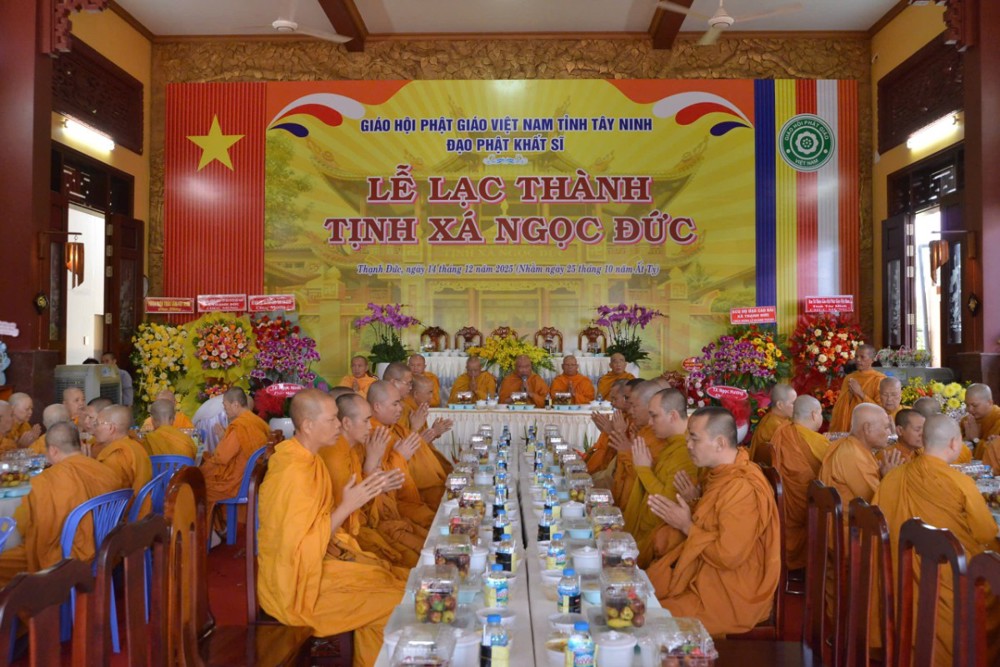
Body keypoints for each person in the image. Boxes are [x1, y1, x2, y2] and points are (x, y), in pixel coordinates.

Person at [257, 389, 407, 667]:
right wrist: (347, 506)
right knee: (395, 602)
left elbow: (315, 532)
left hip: (316, 564)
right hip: (295, 588)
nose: (339, 424)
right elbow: (296, 549)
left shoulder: (310, 459)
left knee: (391, 579)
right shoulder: (292, 472)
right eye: (332, 420)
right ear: (308, 425)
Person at [873, 414, 1000, 667]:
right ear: (954, 443)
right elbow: (987, 535)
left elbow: (880, 526)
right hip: (952, 577)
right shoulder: (960, 482)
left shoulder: (894, 478)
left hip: (902, 579)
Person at [645, 407, 780, 635]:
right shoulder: (719, 473)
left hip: (730, 591)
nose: (688, 445)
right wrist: (695, 501)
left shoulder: (742, 488)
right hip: (705, 573)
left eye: (694, 438)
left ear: (719, 443)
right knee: (641, 595)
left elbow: (729, 555)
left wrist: (686, 525)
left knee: (647, 617)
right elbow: (713, 520)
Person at [0, 422, 120, 587]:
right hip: (105, 549)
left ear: (53, 451)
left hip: (66, 556)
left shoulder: (44, 482)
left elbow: (22, 527)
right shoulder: (106, 471)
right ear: (79, 444)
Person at [319, 393, 421, 567]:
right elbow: (346, 513)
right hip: (345, 536)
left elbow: (364, 500)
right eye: (366, 421)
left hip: (368, 525)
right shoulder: (334, 456)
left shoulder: (354, 449)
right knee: (403, 564)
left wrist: (375, 468)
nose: (370, 426)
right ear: (346, 423)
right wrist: (375, 483)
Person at [621, 388, 698, 567]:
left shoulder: (686, 453)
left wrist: (643, 469)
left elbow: (668, 504)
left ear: (672, 416)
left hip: (658, 541)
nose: (650, 422)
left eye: (654, 416)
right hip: (645, 532)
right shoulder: (671, 444)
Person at [768, 395, 829, 570]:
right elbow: (831, 467)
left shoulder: (782, 431)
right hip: (803, 513)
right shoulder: (817, 441)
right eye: (820, 414)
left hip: (781, 510)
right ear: (814, 415)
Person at [367, 381, 437, 528]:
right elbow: (381, 482)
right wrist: (400, 456)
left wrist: (415, 431)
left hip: (407, 497)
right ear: (377, 407)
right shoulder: (373, 435)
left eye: (400, 403)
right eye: (395, 404)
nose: (400, 408)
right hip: (391, 508)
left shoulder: (391, 429)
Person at [382, 363, 452, 507]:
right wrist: (418, 433)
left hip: (415, 469)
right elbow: (399, 452)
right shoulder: (401, 411)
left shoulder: (409, 408)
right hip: (407, 479)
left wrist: (431, 434)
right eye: (408, 384)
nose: (410, 388)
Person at [200, 387, 271, 517]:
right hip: (253, 478)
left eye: (226, 406)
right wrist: (224, 438)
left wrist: (220, 445)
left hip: (238, 483)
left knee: (197, 484)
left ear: (235, 405)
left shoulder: (240, 426)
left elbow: (222, 457)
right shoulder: (257, 421)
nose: (225, 410)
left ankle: (205, 527)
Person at [819, 403, 902, 506]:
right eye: (886, 427)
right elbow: (879, 502)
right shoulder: (852, 455)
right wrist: (889, 477)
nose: (889, 433)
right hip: (853, 516)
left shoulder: (852, 446)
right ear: (867, 428)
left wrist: (881, 475)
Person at [608, 381, 663, 508]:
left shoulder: (660, 436)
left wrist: (628, 450)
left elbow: (644, 479)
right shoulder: (641, 430)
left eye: (634, 406)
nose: (630, 410)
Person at [92, 405, 153, 501]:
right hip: (141, 504)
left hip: (124, 507)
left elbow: (106, 493)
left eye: (97, 424)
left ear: (111, 428)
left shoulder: (116, 454)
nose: (94, 429)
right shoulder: (136, 445)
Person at [828, 344, 885, 432]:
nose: (858, 360)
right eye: (856, 356)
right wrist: (849, 396)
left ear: (873, 359)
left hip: (868, 427)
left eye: (862, 357)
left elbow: (881, 410)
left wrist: (860, 393)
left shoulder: (879, 379)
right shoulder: (849, 378)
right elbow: (840, 407)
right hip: (849, 425)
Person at [585, 379, 630, 474]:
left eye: (614, 399)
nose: (612, 403)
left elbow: (625, 451)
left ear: (626, 398)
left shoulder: (632, 420)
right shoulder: (621, 415)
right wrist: (604, 430)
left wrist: (611, 432)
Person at [749, 383, 796, 463]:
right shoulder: (773, 425)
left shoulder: (782, 417)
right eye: (793, 403)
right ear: (780, 405)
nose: (796, 406)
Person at [962, 383, 1000, 471]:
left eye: (975, 405)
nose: (970, 409)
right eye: (967, 405)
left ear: (990, 402)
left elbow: (996, 455)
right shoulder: (966, 421)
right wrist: (967, 440)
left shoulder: (997, 420)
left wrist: (975, 440)